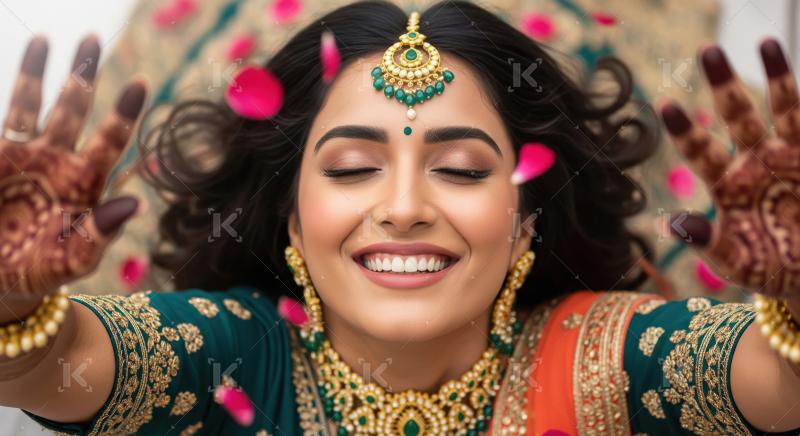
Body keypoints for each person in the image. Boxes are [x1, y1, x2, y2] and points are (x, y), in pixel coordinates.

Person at [0, 1, 798, 434]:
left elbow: (781, 384)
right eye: (351, 169)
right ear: (289, 217)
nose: (407, 208)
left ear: (526, 219)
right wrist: (10, 300)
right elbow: (45, 367)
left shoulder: (600, 358)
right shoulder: (235, 354)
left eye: (460, 169)